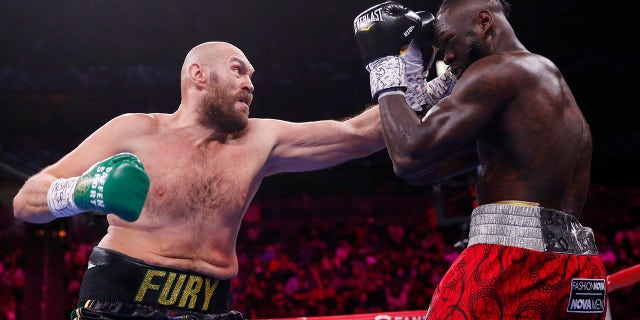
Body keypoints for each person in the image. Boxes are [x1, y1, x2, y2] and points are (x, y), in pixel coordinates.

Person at [12, 41, 390, 320]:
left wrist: (419, 84)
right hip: (119, 303)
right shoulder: (136, 131)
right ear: (198, 74)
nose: (250, 85)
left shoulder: (261, 140)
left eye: (251, 77)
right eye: (238, 70)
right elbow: (26, 201)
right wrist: (84, 191)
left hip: (211, 306)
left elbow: (358, 136)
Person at [353, 1, 607, 319]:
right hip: (580, 268)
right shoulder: (540, 84)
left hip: (515, 259)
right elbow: (423, 169)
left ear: (484, 21)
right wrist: (414, 70)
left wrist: (384, 63)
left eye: (447, 41)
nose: (446, 56)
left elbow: (408, 155)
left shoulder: (498, 70)